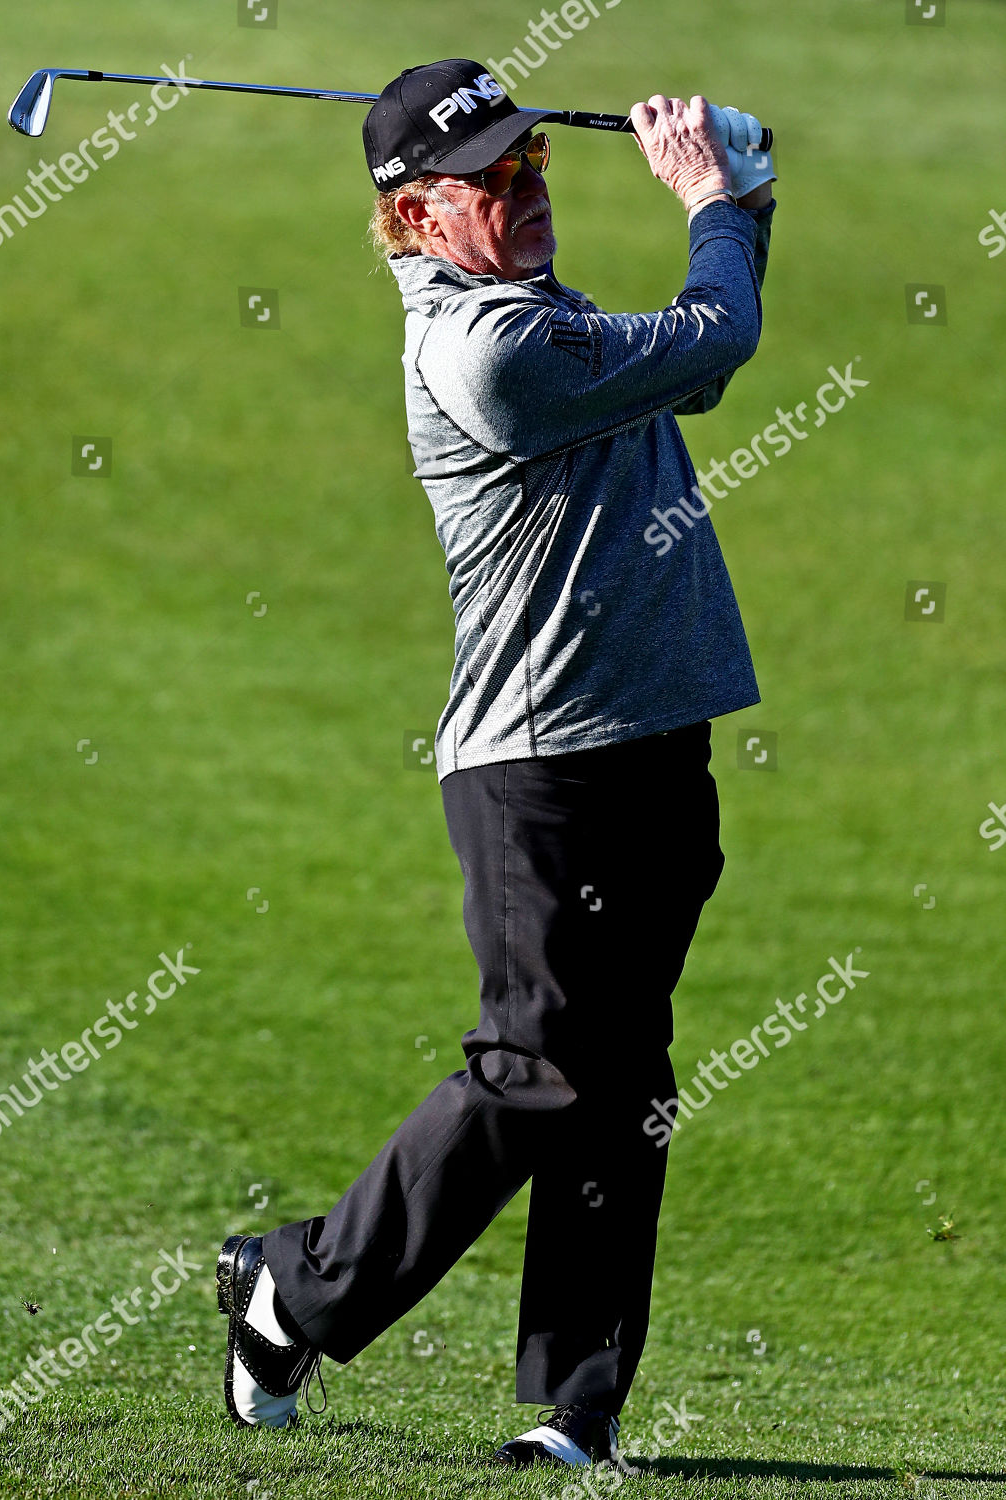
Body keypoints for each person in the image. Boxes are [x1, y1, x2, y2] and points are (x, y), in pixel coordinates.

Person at [215, 56, 776, 1471]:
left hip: (654, 749)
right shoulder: (487, 353)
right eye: (491, 184)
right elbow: (714, 344)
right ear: (414, 218)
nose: (527, 196)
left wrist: (736, 214)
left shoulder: (547, 313)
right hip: (542, 773)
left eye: (535, 170)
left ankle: (575, 1410)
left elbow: (689, 376)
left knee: (620, 1073)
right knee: (536, 1068)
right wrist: (724, 200)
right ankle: (298, 1286)